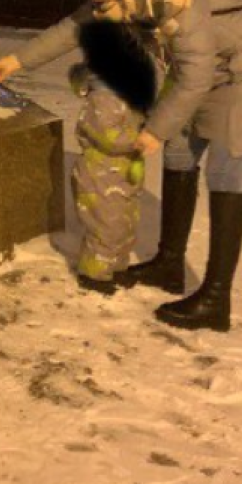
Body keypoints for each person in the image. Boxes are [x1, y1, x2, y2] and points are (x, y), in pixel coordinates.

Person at [0, 0, 242, 333]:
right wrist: (17, 61)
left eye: (107, 5)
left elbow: (196, 76)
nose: (103, 12)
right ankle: (168, 265)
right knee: (181, 157)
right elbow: (76, 25)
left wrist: (156, 131)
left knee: (224, 170)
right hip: (198, 70)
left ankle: (216, 299)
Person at [67, 19, 158, 294]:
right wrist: (138, 140)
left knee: (125, 223)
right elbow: (107, 135)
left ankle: (115, 267)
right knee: (105, 225)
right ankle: (94, 273)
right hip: (100, 173)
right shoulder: (103, 97)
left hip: (124, 171)